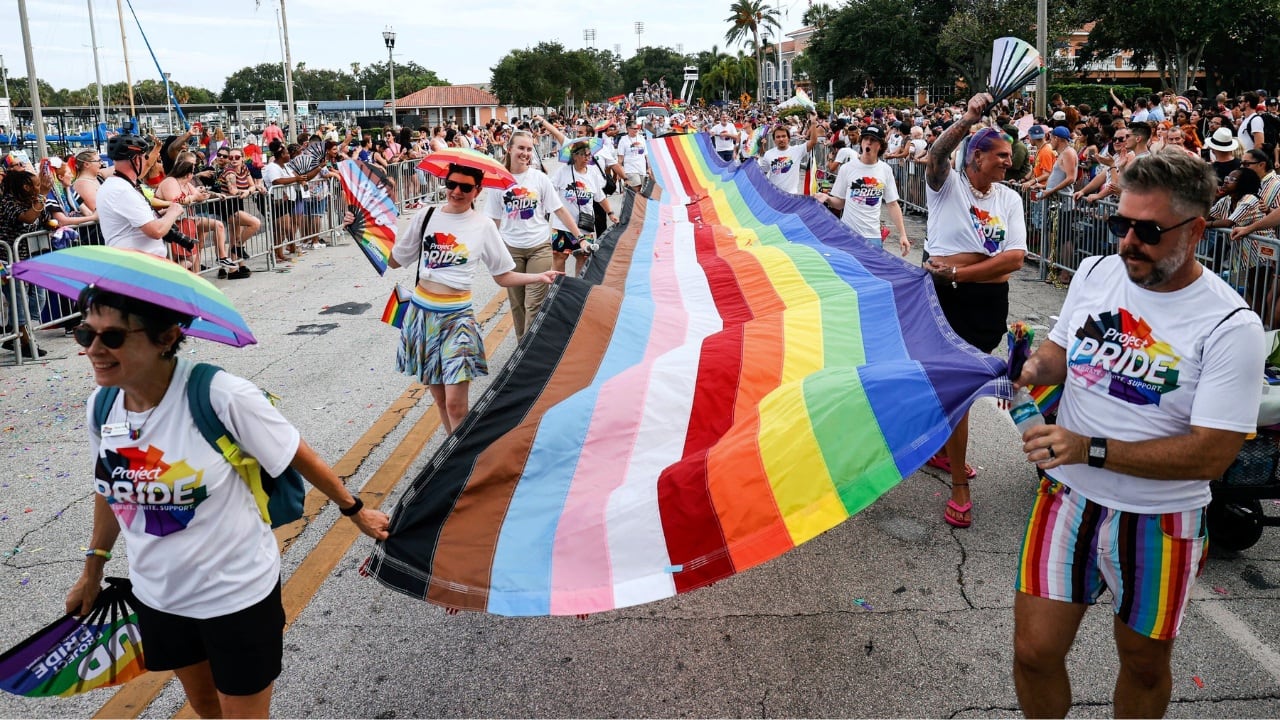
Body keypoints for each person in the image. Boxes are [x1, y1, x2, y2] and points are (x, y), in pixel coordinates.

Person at [1011, 151, 1263, 719]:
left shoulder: (1230, 326)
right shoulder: (1099, 273)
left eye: (1146, 231)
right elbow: (1060, 353)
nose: (1127, 241)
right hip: (1068, 498)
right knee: (1033, 652)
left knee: (1143, 664)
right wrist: (1031, 369)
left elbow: (1213, 454)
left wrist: (1087, 448)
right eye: (1119, 223)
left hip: (1161, 519)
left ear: (1196, 229)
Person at [64, 285, 389, 719]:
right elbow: (108, 487)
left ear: (166, 337)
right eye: (86, 334)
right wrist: (92, 569)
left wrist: (355, 511)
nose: (94, 350)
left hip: (235, 596)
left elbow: (296, 452)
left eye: (114, 337)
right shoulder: (102, 407)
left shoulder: (220, 395)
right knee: (203, 706)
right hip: (159, 596)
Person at [387, 163, 561, 433]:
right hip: (423, 317)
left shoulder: (483, 226)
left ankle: (461, 464)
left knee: (457, 404)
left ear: (477, 190)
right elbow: (395, 261)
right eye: (451, 184)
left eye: (465, 187)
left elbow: (503, 275)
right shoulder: (426, 216)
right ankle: (451, 455)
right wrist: (366, 232)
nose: (456, 191)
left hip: (457, 321)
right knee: (440, 399)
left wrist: (538, 277)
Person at [922, 93, 1028, 528]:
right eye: (1001, 156)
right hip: (942, 299)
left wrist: (960, 271)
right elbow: (936, 154)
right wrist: (967, 119)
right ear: (977, 156)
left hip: (982, 303)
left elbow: (1015, 261)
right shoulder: (948, 185)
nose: (1009, 163)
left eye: (1009, 156)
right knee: (958, 388)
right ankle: (959, 486)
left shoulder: (1009, 200)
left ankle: (941, 450)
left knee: (958, 386)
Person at [485, 129, 582, 339]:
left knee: (534, 304)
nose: (525, 153)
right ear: (508, 148)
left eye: (529, 149)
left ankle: (528, 356)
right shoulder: (498, 181)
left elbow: (560, 210)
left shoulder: (539, 178)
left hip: (539, 248)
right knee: (518, 305)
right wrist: (489, 252)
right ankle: (522, 346)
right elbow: (492, 222)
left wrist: (580, 238)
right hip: (510, 250)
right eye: (521, 148)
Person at [815, 125, 910, 256]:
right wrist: (827, 198)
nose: (869, 142)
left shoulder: (885, 170)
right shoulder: (847, 168)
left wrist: (903, 235)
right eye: (866, 138)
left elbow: (893, 204)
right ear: (861, 142)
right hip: (848, 233)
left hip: (872, 236)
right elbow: (840, 202)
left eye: (873, 140)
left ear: (881, 146)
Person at [97, 134, 187, 257]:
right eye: (145, 157)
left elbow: (130, 223)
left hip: (134, 261)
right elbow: (156, 231)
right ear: (136, 160)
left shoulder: (113, 185)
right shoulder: (123, 190)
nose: (147, 161)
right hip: (138, 264)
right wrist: (173, 211)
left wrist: (159, 214)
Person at [549, 138, 617, 276]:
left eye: (589, 154)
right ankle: (557, 289)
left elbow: (600, 197)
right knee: (559, 257)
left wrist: (611, 213)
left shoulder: (592, 173)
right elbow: (549, 190)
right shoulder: (563, 172)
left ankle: (577, 289)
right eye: (584, 154)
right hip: (563, 226)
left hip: (584, 225)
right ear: (574, 156)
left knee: (583, 258)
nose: (588, 157)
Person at [761, 112, 820, 194]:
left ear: (789, 138)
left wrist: (813, 123)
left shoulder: (797, 150)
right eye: (778, 137)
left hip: (791, 196)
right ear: (774, 140)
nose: (781, 139)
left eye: (784, 136)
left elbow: (813, 141)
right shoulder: (768, 154)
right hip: (773, 195)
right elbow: (761, 174)